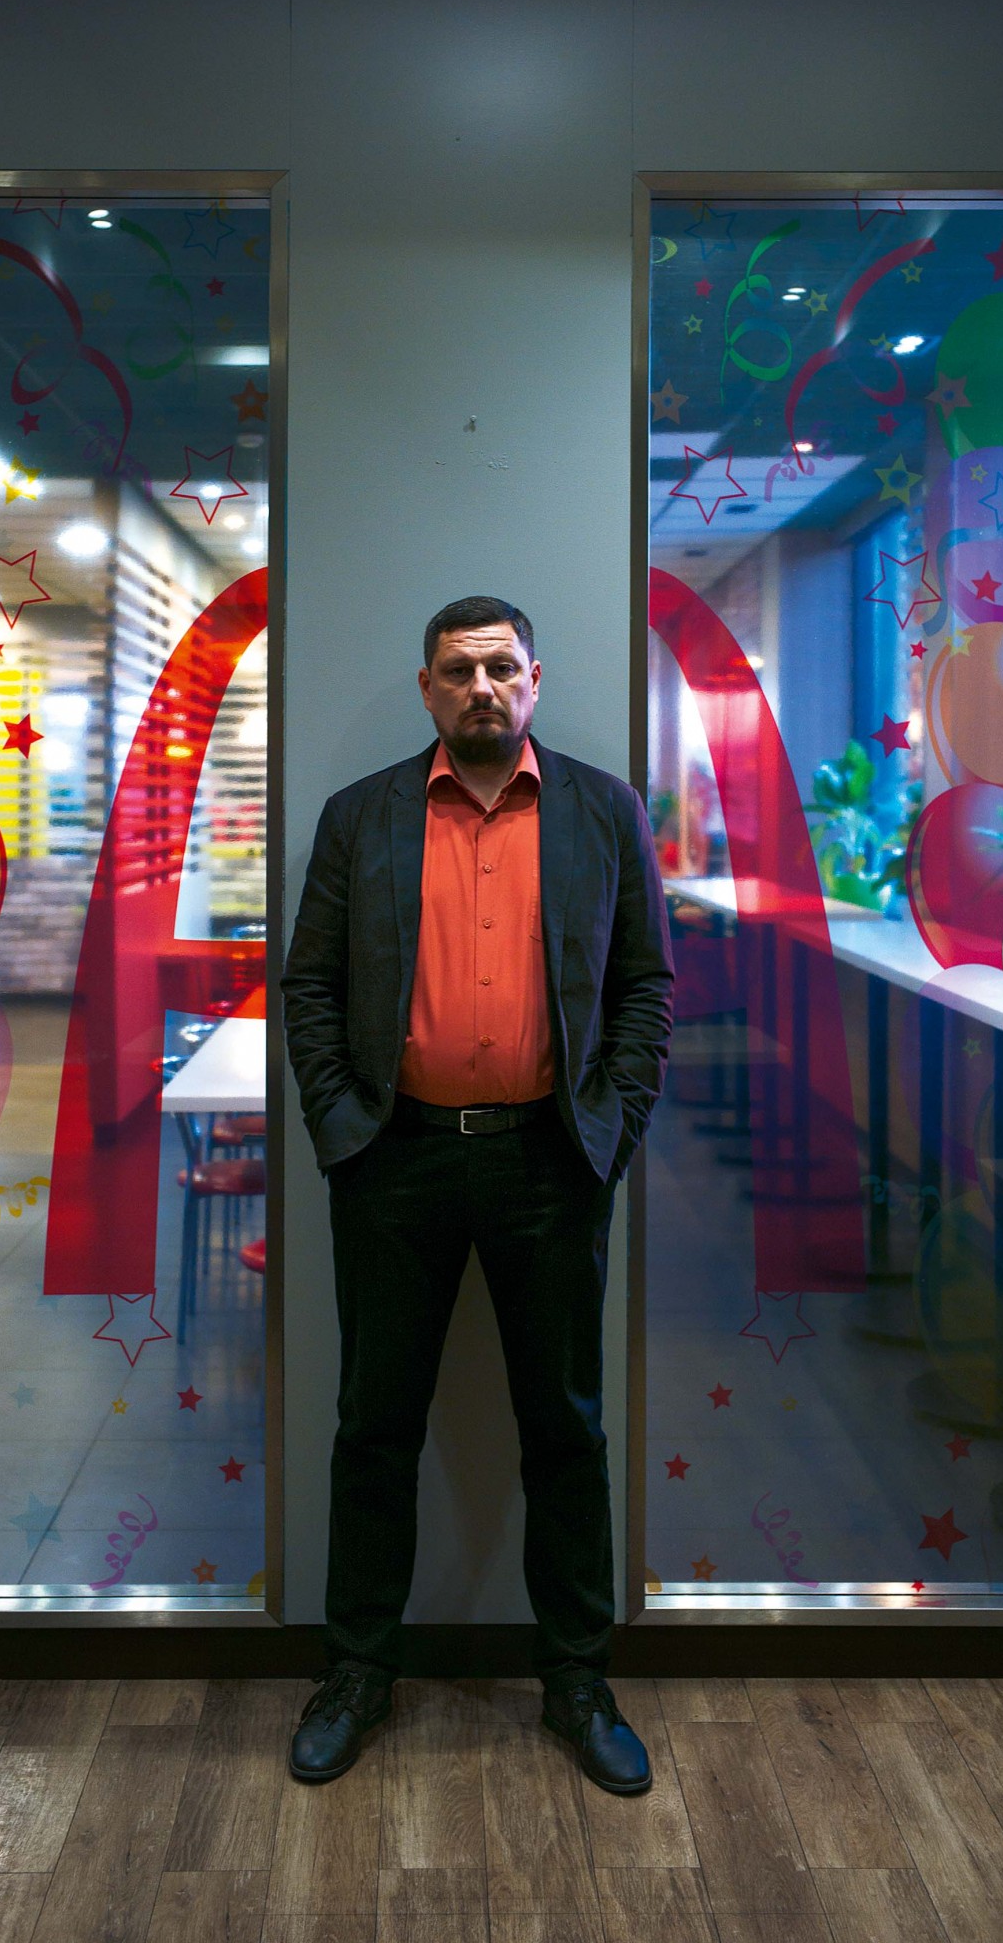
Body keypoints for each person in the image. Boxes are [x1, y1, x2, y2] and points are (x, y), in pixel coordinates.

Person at [280, 594, 674, 1793]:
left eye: (502, 667)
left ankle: (578, 1678)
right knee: (373, 1426)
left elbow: (647, 984)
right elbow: (309, 985)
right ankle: (357, 1672)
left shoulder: (604, 809)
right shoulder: (363, 816)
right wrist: (344, 1130)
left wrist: (610, 1128)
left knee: (565, 1428)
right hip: (393, 1159)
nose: (482, 687)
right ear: (428, 688)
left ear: (535, 679)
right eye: (459, 670)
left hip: (551, 1162)